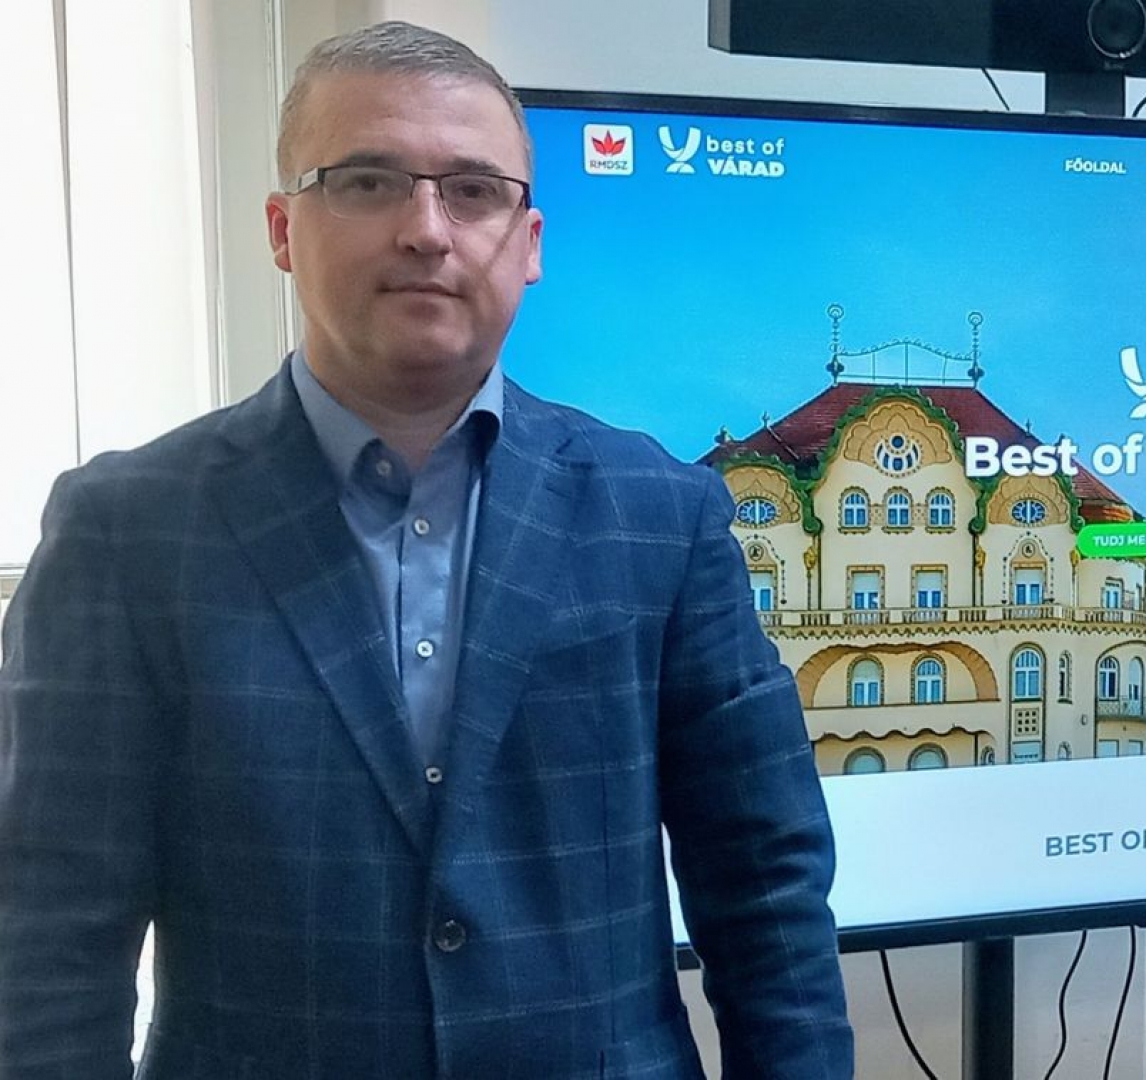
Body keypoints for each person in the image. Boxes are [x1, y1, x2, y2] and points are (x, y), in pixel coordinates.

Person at [0, 21, 852, 1079]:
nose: (426, 230)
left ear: (529, 243)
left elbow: (765, 886)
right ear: (281, 228)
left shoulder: (661, 516)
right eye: (367, 183)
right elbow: (49, 937)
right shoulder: (126, 531)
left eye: (474, 191)